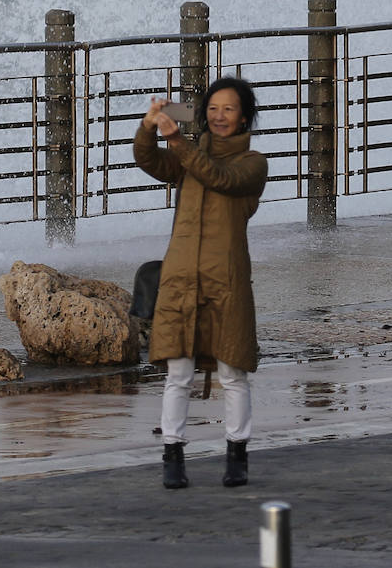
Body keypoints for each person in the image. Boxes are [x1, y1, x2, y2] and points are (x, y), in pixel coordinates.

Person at [134, 76, 268, 489]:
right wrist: (149, 127)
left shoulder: (253, 163)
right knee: (178, 371)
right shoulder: (188, 156)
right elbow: (149, 161)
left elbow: (219, 178)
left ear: (244, 116)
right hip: (181, 278)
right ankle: (173, 454)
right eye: (212, 109)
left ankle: (237, 453)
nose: (219, 116)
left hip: (225, 281)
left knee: (232, 371)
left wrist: (178, 142)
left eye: (228, 109)